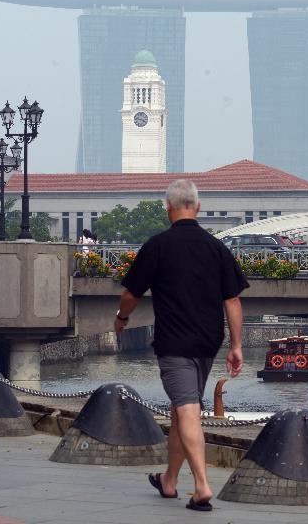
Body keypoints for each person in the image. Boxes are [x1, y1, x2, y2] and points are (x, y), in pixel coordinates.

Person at [114, 179, 248, 512]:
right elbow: (231, 300)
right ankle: (169, 480)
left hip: (174, 342)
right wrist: (237, 345)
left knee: (187, 409)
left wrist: (122, 318)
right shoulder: (216, 248)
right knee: (181, 409)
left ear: (168, 208)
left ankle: (202, 486)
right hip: (208, 341)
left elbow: (131, 293)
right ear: (198, 207)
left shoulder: (158, 245)